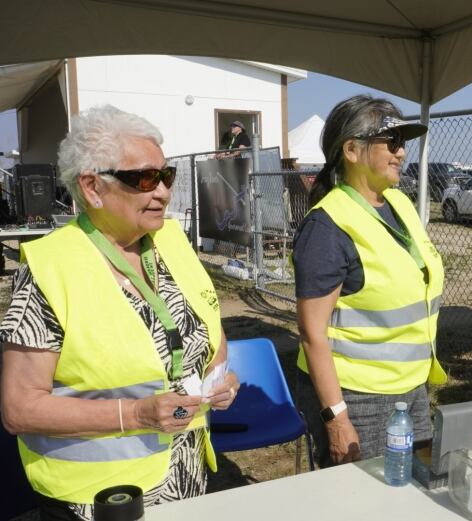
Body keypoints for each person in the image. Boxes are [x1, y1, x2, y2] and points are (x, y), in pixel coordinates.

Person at [0, 105, 239, 520]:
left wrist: (222, 379)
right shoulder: (48, 270)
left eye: (167, 176)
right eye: (145, 178)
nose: (163, 191)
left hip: (186, 478)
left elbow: (207, 336)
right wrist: (136, 414)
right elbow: (19, 408)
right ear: (92, 187)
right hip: (97, 501)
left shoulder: (172, 244)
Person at [293, 95, 447, 468]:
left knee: (413, 489)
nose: (402, 152)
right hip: (359, 398)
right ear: (351, 150)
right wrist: (338, 419)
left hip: (410, 387)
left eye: (404, 142)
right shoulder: (327, 226)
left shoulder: (400, 205)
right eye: (391, 142)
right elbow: (313, 333)